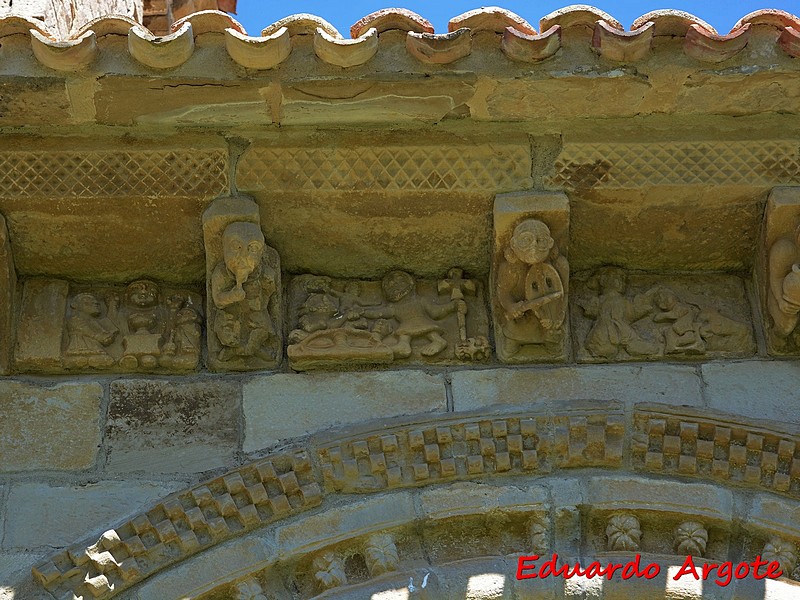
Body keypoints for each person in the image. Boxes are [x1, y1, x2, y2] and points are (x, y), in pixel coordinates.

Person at [496, 219, 568, 358]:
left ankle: (550, 338)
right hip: (522, 316)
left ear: (550, 243)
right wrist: (511, 307)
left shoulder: (560, 264)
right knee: (512, 341)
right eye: (526, 240)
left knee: (554, 342)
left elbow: (564, 294)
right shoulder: (510, 268)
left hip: (549, 315)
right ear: (514, 244)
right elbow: (503, 293)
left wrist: (558, 318)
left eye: (541, 240)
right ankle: (514, 340)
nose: (534, 246)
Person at [211, 222, 277, 362]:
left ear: (261, 253)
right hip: (230, 313)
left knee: (262, 330)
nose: (244, 256)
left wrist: (268, 284)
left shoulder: (264, 272)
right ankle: (236, 349)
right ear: (224, 249)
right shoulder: (222, 273)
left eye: (252, 248)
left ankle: (252, 348)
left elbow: (271, 296)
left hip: (255, 312)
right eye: (236, 247)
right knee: (226, 330)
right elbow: (217, 300)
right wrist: (232, 296)